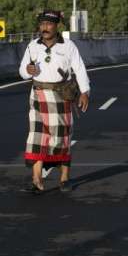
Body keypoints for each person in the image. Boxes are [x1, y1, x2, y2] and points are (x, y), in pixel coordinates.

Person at [18, 10, 90, 193]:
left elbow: (80, 70)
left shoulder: (68, 46)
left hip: (60, 96)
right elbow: (22, 72)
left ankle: (64, 179)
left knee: (62, 139)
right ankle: (36, 180)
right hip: (38, 95)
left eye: (49, 24)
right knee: (36, 138)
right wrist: (28, 70)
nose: (45, 28)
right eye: (42, 24)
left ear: (57, 25)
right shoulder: (33, 46)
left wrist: (85, 92)